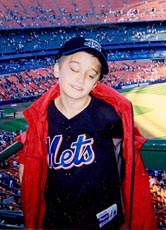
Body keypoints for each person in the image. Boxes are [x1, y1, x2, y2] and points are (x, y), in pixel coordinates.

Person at [15, 37, 157, 229]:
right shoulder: (42, 119)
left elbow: (126, 150)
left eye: (91, 75)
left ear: (96, 83)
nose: (81, 78)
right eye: (74, 69)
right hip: (57, 221)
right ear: (57, 69)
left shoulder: (109, 115)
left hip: (103, 219)